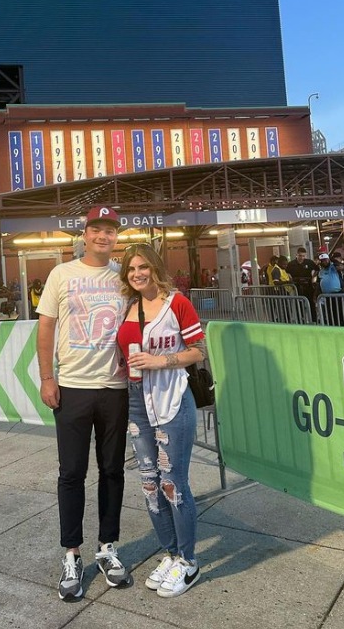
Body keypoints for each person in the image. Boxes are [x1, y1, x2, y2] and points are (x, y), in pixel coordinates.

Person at [36, 205, 129, 601]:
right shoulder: (62, 274)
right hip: (72, 386)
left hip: (115, 387)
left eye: (110, 230)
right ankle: (71, 553)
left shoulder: (124, 277)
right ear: (85, 233)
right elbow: (46, 327)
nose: (102, 236)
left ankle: (107, 547)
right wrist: (46, 376)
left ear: (115, 236)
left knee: (112, 470)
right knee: (71, 472)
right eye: (96, 229)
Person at [117, 243, 206, 598]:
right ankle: (170, 554)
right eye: (131, 269)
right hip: (137, 403)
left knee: (173, 484)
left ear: (154, 267)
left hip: (171, 401)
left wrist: (161, 361)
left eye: (143, 267)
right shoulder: (128, 306)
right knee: (151, 486)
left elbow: (199, 350)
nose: (137, 274)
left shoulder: (176, 303)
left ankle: (189, 561)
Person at [313, 253, 344, 326]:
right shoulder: (321, 271)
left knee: (341, 312)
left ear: (329, 260)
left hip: (338, 294)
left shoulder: (333, 267)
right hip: (327, 296)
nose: (324, 262)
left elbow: (343, 267)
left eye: (326, 260)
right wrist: (315, 295)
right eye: (322, 261)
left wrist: (333, 260)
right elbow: (318, 283)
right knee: (330, 313)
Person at [286, 247, 318, 320]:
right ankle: (301, 319)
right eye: (300, 255)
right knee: (299, 304)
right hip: (297, 286)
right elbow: (287, 272)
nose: (302, 257)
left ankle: (313, 320)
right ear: (296, 255)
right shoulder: (291, 264)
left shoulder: (309, 262)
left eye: (303, 256)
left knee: (311, 304)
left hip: (308, 285)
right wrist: (291, 279)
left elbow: (317, 269)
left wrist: (313, 278)